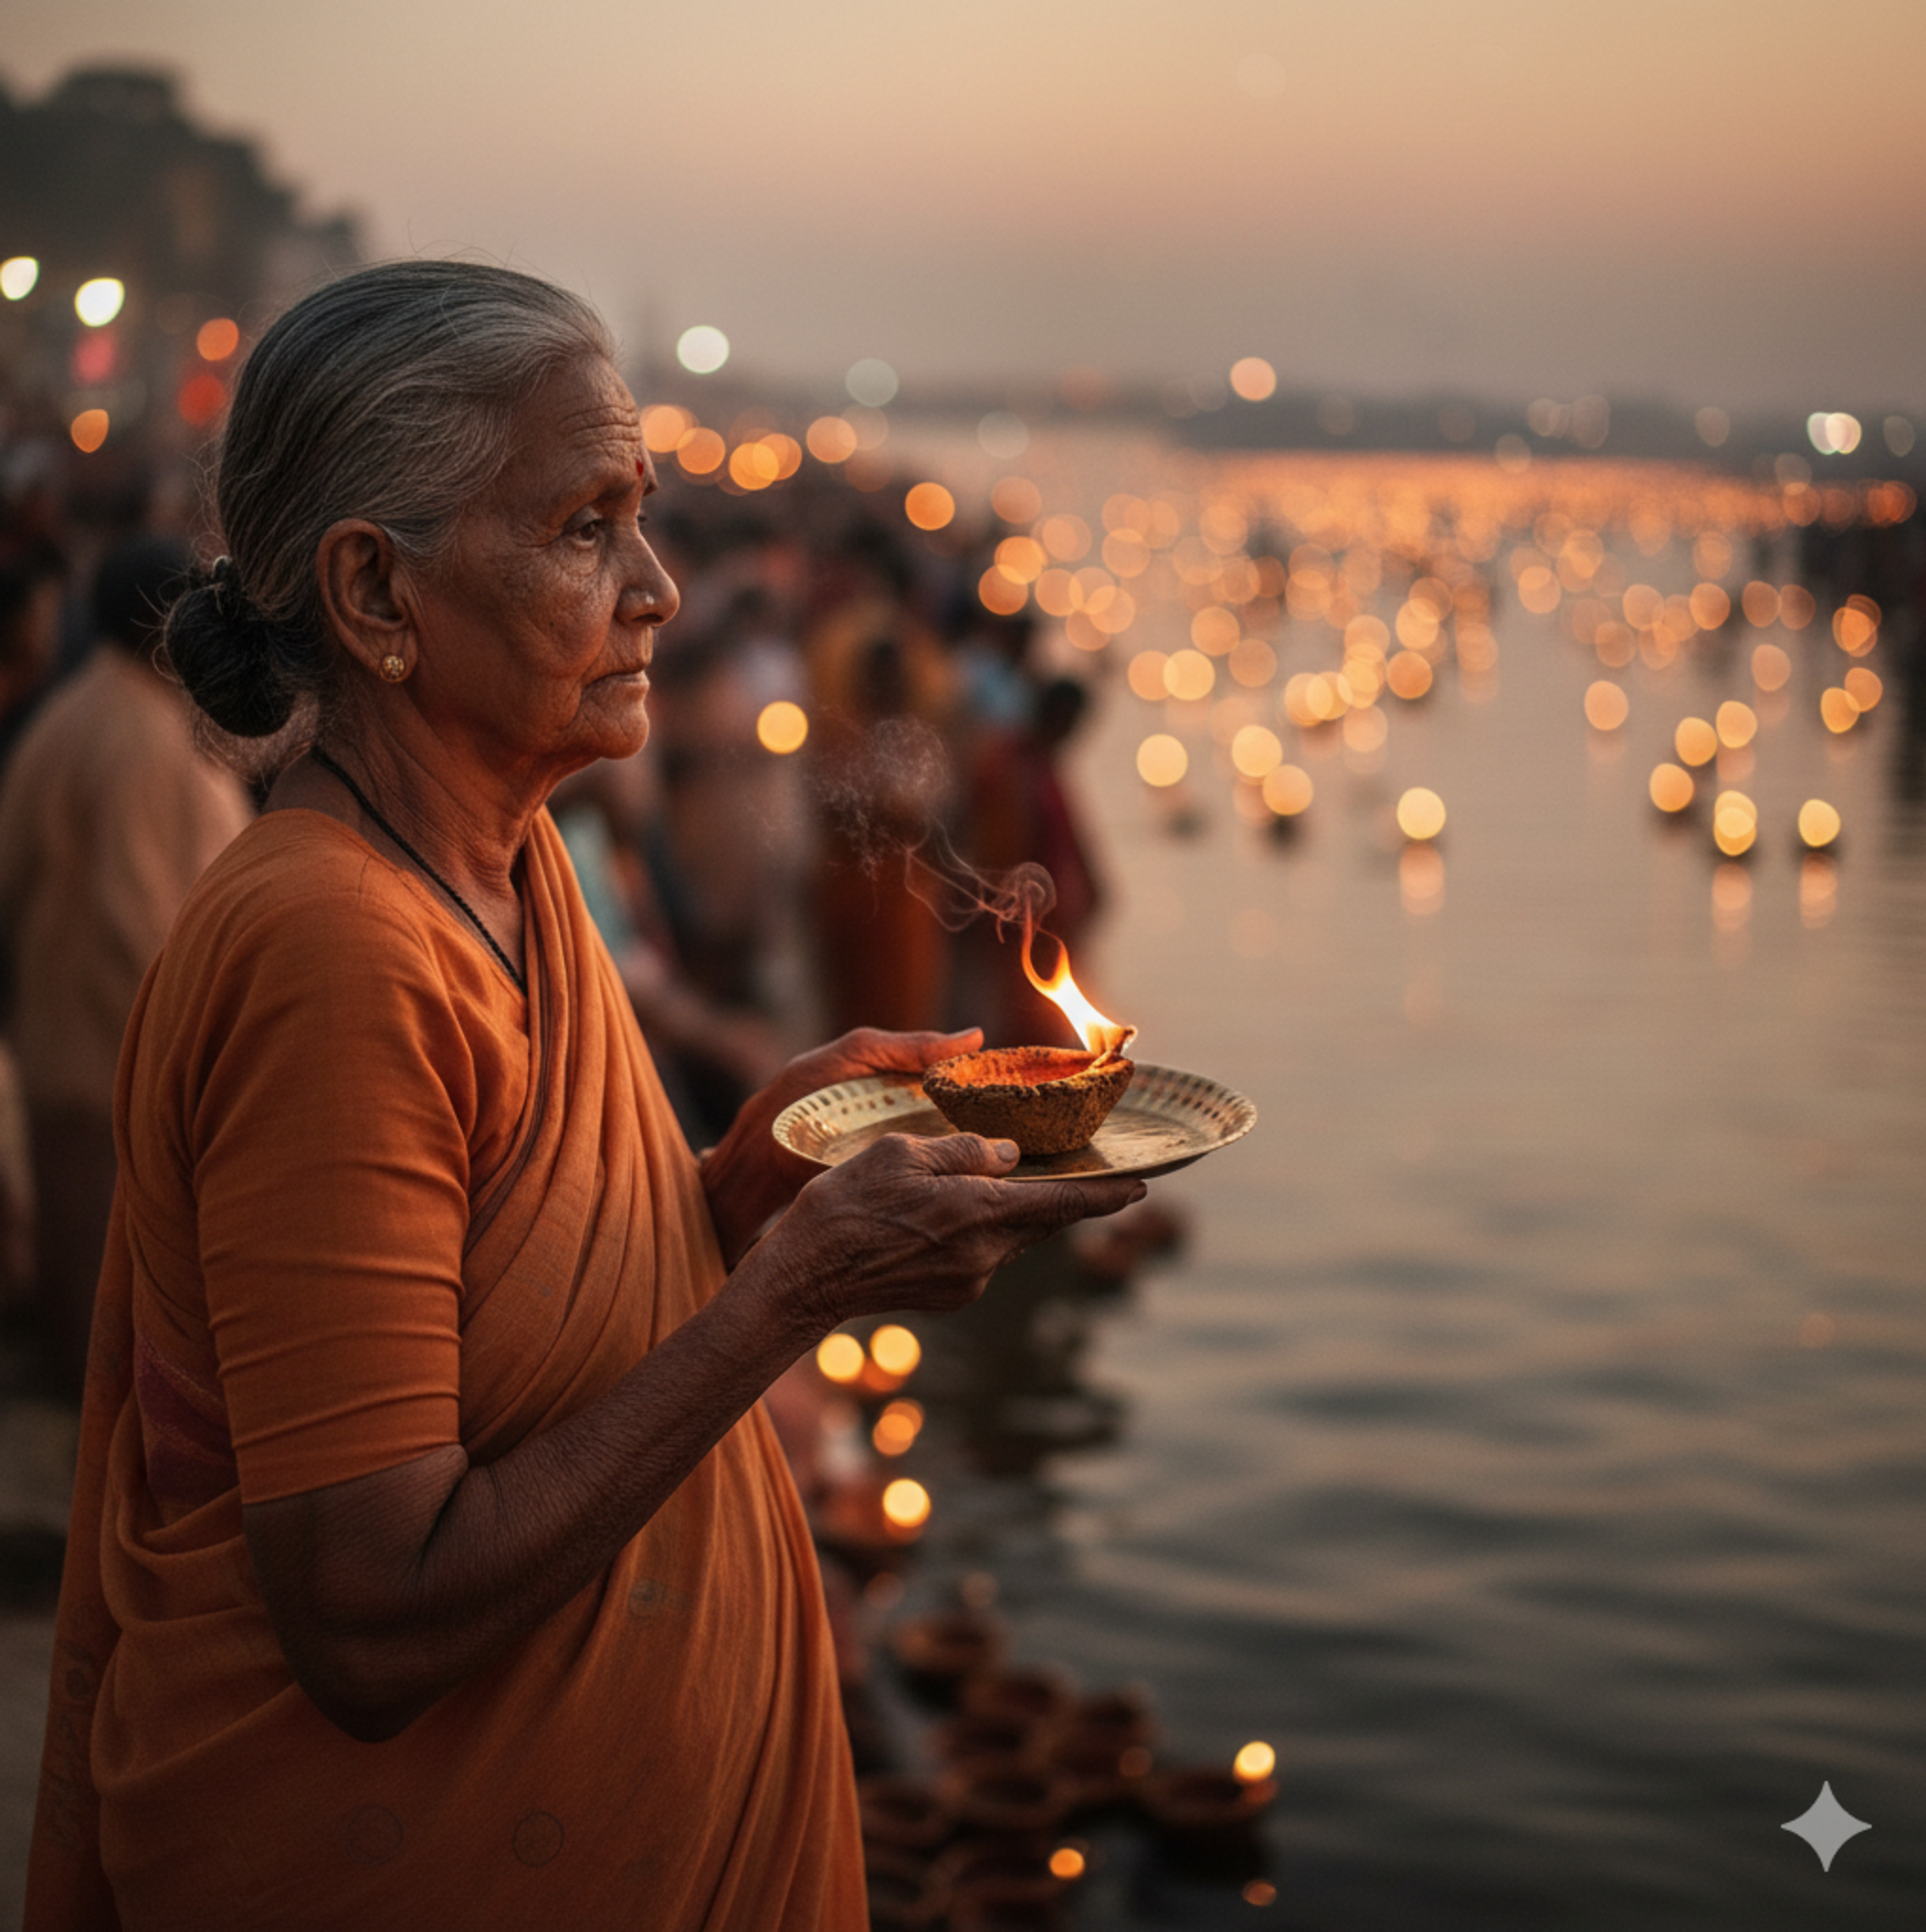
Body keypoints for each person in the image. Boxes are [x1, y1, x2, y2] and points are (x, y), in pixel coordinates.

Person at [24, 260, 1144, 1931]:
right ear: (376, 596)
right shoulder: (336, 948)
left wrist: (742, 1182)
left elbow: (510, 1314)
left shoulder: (509, 861)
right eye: (584, 528)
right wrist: (789, 1301)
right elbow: (370, 1610)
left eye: (642, 520)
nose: (659, 591)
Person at [0, 534, 253, 1394]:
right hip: (121, 1076)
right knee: (117, 1361)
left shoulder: (80, 712)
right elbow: (145, 926)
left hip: (74, 1060)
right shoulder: (143, 738)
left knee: (93, 1341)